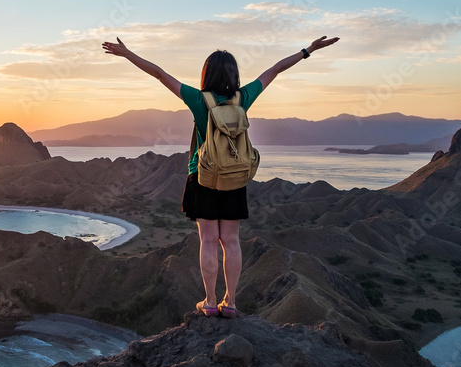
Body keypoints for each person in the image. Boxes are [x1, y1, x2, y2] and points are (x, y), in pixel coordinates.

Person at [102, 35, 340, 317]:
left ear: (206, 74)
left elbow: (159, 74)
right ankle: (231, 303)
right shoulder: (243, 98)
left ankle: (211, 302)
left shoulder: (198, 99)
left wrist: (128, 54)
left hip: (202, 177)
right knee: (231, 241)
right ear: (234, 74)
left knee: (208, 241)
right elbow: (274, 70)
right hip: (234, 178)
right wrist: (307, 51)